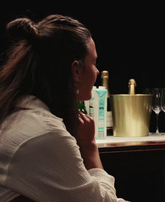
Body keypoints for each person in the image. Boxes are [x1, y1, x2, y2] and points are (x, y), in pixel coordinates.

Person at [0, 14, 130, 202]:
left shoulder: (14, 111)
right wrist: (90, 148)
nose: (97, 71)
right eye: (93, 63)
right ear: (76, 71)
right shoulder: (45, 135)